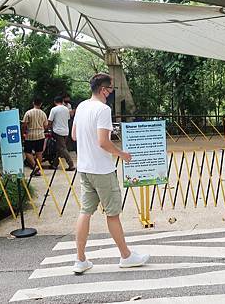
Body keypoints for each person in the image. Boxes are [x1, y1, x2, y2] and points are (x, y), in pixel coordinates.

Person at [71, 73, 149, 273]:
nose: (112, 92)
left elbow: (73, 135)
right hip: (102, 170)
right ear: (104, 90)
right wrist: (121, 154)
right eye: (111, 88)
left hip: (84, 168)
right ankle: (126, 256)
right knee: (113, 214)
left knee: (85, 212)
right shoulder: (103, 109)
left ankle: (80, 260)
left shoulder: (81, 106)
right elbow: (103, 142)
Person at [21, 98, 48, 176]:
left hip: (30, 135)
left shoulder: (28, 113)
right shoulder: (43, 113)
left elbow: (24, 125)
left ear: (33, 103)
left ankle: (34, 166)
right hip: (40, 135)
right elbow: (45, 125)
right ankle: (37, 168)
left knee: (27, 152)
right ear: (41, 104)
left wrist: (23, 133)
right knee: (39, 153)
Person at [48, 96, 75, 171]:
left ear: (55, 102)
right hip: (66, 131)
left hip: (57, 131)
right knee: (59, 149)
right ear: (62, 101)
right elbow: (68, 118)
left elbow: (50, 121)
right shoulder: (66, 109)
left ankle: (71, 164)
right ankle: (54, 165)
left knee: (62, 148)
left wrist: (49, 128)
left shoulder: (54, 109)